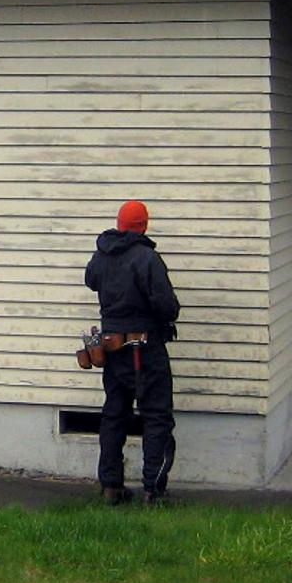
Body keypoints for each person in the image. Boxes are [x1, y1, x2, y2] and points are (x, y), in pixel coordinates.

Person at [84, 199, 181, 505]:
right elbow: (167, 306)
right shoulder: (146, 258)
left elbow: (90, 281)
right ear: (144, 225)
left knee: (115, 413)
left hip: (112, 349)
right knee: (156, 416)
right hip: (145, 349)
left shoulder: (101, 256)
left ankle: (111, 486)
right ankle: (153, 490)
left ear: (120, 223)